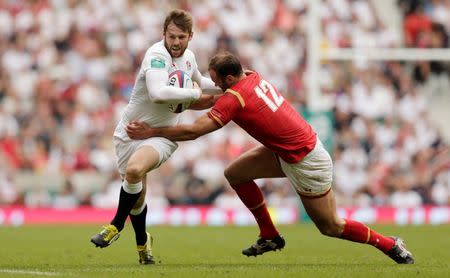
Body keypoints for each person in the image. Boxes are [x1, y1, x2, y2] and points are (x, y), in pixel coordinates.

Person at [125, 51, 414, 264]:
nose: (215, 86)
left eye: (216, 81)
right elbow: (214, 97)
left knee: (330, 227)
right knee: (235, 174)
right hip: (288, 149)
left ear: (228, 78)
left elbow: (195, 132)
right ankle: (269, 235)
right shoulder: (250, 76)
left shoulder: (234, 98)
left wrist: (152, 131)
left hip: (306, 160)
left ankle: (390, 245)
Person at [90, 9, 220, 265]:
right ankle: (143, 244)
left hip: (161, 136)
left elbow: (202, 82)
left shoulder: (189, 58)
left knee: (135, 171)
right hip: (129, 132)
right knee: (137, 198)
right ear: (164, 34)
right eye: (171, 36)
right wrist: (193, 94)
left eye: (181, 37)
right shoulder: (156, 55)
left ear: (190, 36)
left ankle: (115, 225)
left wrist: (231, 84)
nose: (175, 42)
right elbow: (158, 93)